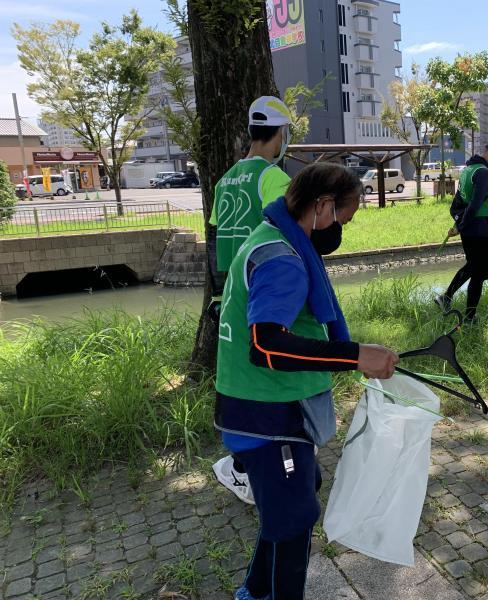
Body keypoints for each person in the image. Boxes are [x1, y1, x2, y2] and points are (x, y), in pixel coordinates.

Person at [215, 162, 398, 600]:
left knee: (294, 499)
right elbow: (268, 345)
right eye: (343, 219)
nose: (341, 231)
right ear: (321, 206)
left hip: (262, 407)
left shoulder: (274, 238)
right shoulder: (283, 260)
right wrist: (355, 356)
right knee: (294, 520)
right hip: (265, 414)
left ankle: (255, 591)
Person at [208, 96, 293, 504]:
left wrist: (216, 294)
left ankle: (245, 464)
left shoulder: (226, 179)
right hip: (262, 290)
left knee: (242, 378)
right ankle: (245, 469)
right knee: (265, 379)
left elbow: (214, 235)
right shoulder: (273, 178)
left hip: (229, 294)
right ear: (278, 135)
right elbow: (293, 236)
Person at [435, 139, 488, 322]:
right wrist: (460, 227)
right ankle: (448, 298)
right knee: (477, 270)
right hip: (479, 228)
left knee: (476, 271)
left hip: (470, 228)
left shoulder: (468, 170)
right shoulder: (483, 172)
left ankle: (468, 315)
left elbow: (459, 203)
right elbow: (475, 205)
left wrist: (459, 224)